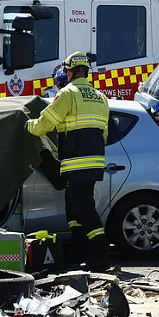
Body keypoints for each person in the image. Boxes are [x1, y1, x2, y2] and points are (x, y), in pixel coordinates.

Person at [26, 52, 110, 271]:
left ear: (70, 72)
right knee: (72, 208)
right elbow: (104, 134)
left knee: (84, 210)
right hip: (93, 163)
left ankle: (100, 258)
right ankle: (79, 252)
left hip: (76, 163)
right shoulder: (100, 97)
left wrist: (28, 126)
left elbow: (46, 123)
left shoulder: (68, 93)